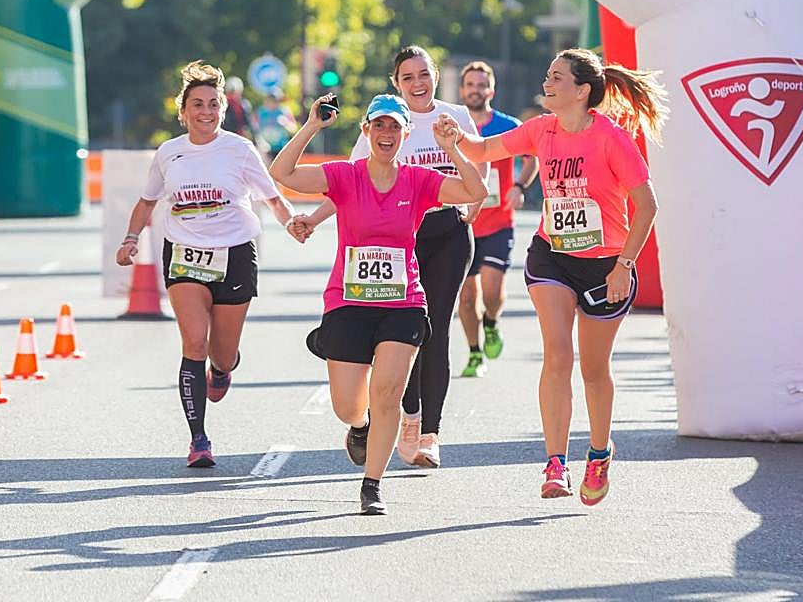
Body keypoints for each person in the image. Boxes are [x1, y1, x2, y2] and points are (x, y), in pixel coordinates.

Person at [451, 48, 667, 505]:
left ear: (582, 90)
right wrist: (453, 139)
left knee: (593, 370)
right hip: (552, 257)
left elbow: (647, 205)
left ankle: (599, 453)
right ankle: (555, 462)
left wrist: (623, 266)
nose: (547, 84)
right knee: (557, 356)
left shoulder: (610, 138)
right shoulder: (540, 129)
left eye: (556, 77)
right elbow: (483, 149)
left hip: (606, 264)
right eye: (547, 75)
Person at [273, 93, 486, 514]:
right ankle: (360, 427)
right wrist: (313, 125)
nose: (387, 134)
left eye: (395, 127)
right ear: (366, 131)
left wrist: (450, 149)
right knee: (348, 404)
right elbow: (283, 173)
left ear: (406, 134)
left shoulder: (419, 179)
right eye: (379, 126)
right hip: (348, 302)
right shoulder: (345, 175)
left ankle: (372, 484)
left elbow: (474, 190)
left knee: (388, 392)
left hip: (402, 302)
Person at [117, 61, 295, 467]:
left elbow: (272, 197)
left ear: (222, 109)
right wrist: (131, 238)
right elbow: (148, 201)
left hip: (234, 253)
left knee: (222, 353)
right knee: (193, 342)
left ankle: (224, 367)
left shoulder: (239, 149)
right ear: (183, 111)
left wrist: (293, 224)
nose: (206, 112)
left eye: (213, 104)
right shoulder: (169, 153)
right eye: (197, 104)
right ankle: (198, 440)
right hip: (184, 253)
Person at [455, 61, 539, 378]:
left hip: (497, 222)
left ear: (491, 90)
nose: (475, 90)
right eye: (470, 85)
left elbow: (533, 158)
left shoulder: (507, 125)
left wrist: (519, 187)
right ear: (462, 89)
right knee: (466, 296)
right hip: (462, 222)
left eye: (481, 85)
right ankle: (475, 353)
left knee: (490, 292)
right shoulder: (453, 125)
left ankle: (490, 322)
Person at [255, 89, 297, 160]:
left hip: (281, 149)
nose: (272, 102)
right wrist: (260, 143)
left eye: (275, 100)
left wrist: (286, 123)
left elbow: (294, 129)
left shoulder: (284, 111)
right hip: (265, 149)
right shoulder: (261, 112)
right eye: (270, 99)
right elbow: (255, 130)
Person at [221, 76, 257, 142]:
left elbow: (250, 124)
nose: (233, 94)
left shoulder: (244, 105)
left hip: (239, 137)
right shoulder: (223, 104)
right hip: (225, 138)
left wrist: (254, 139)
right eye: (231, 92)